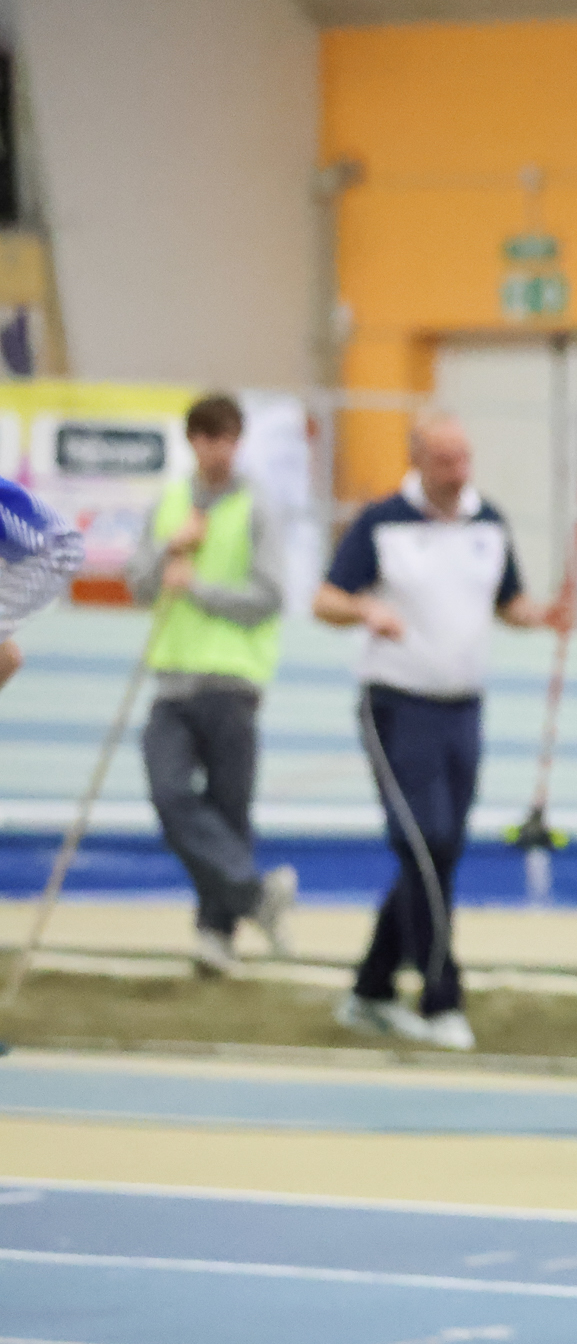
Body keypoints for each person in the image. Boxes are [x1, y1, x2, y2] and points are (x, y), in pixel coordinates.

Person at [314, 410, 569, 1051]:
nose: (458, 473)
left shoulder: (489, 522)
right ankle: (440, 996)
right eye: (445, 461)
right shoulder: (382, 522)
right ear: (419, 461)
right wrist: (367, 610)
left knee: (442, 848)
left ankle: (371, 989)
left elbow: (509, 602)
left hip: (464, 709)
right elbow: (326, 599)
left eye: (464, 459)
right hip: (397, 705)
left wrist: (543, 615)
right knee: (424, 844)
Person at [124, 394, 300, 978]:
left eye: (228, 438)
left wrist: (198, 587)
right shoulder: (170, 504)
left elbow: (270, 596)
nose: (218, 449)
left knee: (229, 810)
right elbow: (139, 586)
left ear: (238, 441)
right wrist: (168, 550)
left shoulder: (259, 506)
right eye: (208, 437)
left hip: (232, 679)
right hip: (172, 680)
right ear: (193, 442)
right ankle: (255, 895)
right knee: (170, 795)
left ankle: (215, 935)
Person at [0, 472, 85, 693]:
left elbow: (33, 543)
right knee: (7, 657)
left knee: (7, 657)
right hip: (37, 549)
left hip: (49, 551)